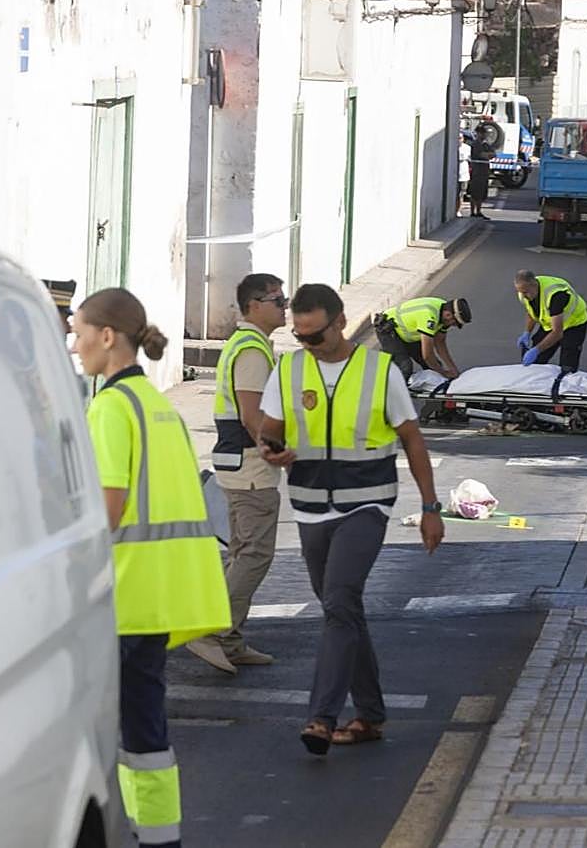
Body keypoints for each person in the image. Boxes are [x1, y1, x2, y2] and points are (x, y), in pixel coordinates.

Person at [74, 288, 232, 848]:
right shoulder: (159, 405)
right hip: (158, 596)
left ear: (107, 336)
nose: (74, 345)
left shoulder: (112, 407)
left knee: (94, 734)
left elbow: (107, 510)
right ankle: (159, 836)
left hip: (122, 597)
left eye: (78, 331)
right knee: (146, 728)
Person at [257, 283, 444, 756]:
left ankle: (321, 717)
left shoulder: (381, 371)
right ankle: (371, 715)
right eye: (299, 336)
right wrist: (272, 449)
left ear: (341, 322)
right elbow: (269, 429)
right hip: (309, 505)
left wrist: (430, 508)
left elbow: (413, 440)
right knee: (341, 609)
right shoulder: (289, 368)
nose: (308, 345)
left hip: (368, 503)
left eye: (315, 335)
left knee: (339, 599)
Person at [188, 274, 289, 675]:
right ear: (254, 306)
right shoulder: (251, 350)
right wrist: (280, 453)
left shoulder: (250, 344)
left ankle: (229, 640)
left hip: (238, 465)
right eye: (277, 300)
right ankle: (212, 631)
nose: (284, 306)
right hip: (250, 467)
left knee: (241, 553)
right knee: (254, 556)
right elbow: (252, 416)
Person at [372, 296, 471, 381]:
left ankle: (432, 401)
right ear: (448, 315)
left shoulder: (445, 310)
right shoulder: (429, 316)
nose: (452, 326)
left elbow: (440, 342)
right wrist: (443, 373)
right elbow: (427, 356)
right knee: (405, 367)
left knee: (435, 366)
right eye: (454, 323)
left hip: (408, 334)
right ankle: (389, 395)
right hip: (388, 329)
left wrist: (453, 369)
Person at [513, 269, 587, 373]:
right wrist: (527, 332)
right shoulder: (524, 292)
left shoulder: (555, 296)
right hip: (551, 323)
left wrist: (536, 350)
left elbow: (557, 333)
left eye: (525, 292)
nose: (523, 295)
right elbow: (531, 312)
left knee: (568, 365)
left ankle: (565, 384)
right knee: (536, 362)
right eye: (520, 292)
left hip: (574, 324)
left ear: (534, 285)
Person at [468, 126, 494, 219]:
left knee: (482, 192)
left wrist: (488, 155)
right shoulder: (476, 144)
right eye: (482, 133)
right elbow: (481, 155)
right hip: (477, 171)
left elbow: (493, 154)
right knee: (475, 192)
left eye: (485, 133)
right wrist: (487, 155)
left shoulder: (486, 144)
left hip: (484, 171)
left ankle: (478, 211)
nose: (484, 135)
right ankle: (472, 212)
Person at [457, 133, 471, 218]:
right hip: (455, 174)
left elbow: (467, 157)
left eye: (460, 138)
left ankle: (458, 210)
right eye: (458, 138)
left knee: (461, 194)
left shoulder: (467, 148)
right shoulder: (454, 146)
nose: (459, 140)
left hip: (464, 174)